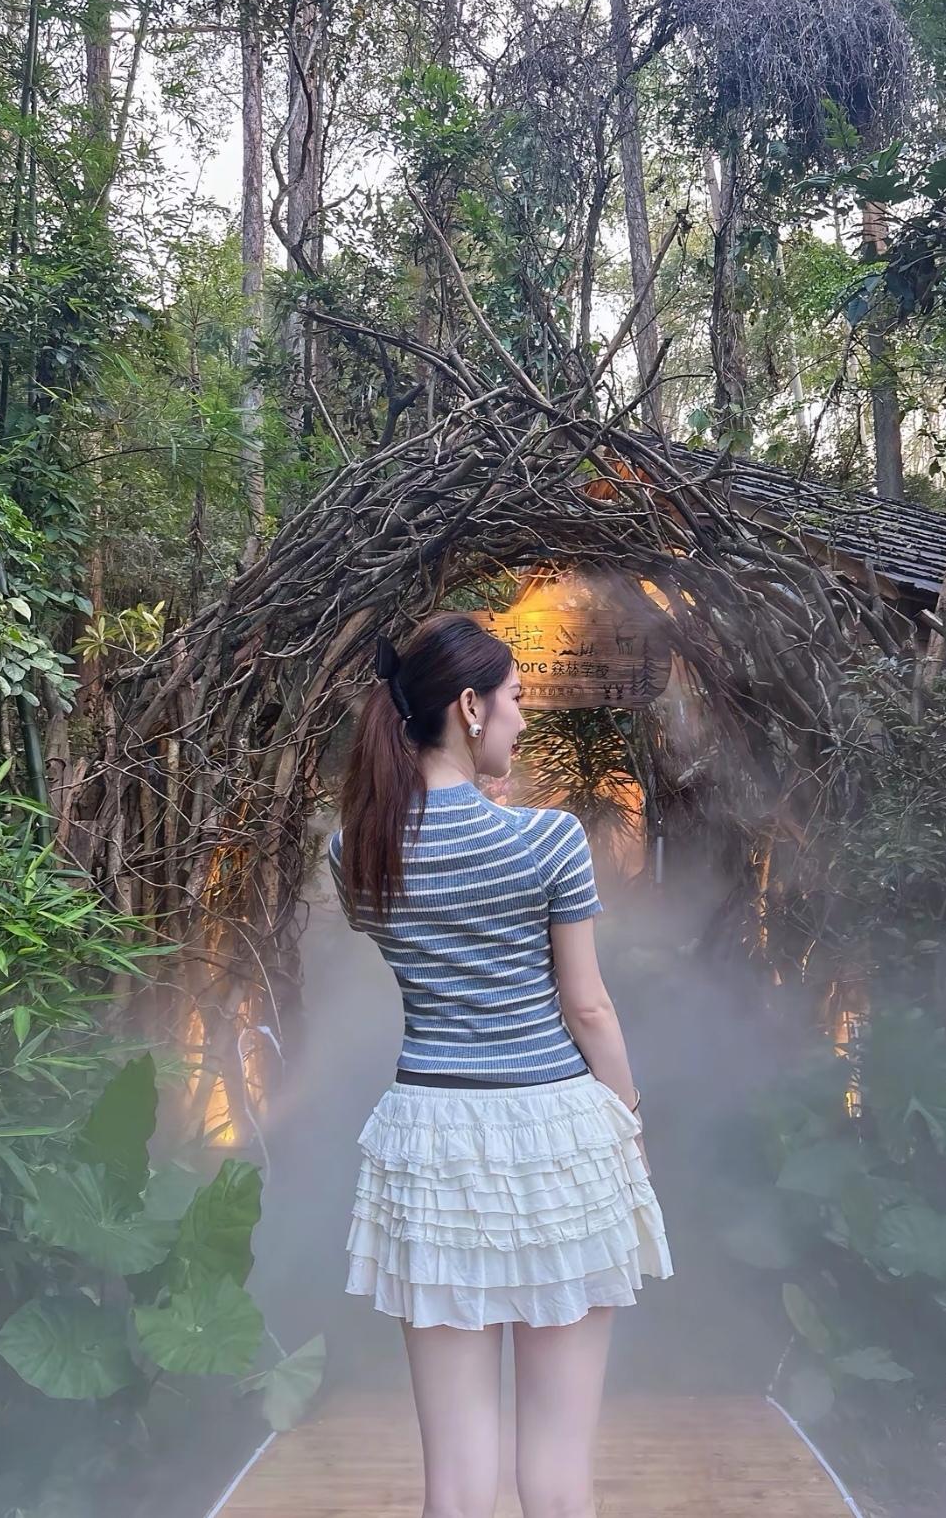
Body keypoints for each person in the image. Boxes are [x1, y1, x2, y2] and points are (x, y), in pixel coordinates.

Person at [327, 610, 674, 1518]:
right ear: (471, 707)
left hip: (431, 1140)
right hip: (556, 1136)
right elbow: (587, 1006)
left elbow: (427, 934)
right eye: (516, 699)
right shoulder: (546, 840)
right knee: (556, 1473)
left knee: (456, 1478)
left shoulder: (355, 850)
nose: (523, 719)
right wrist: (630, 1122)